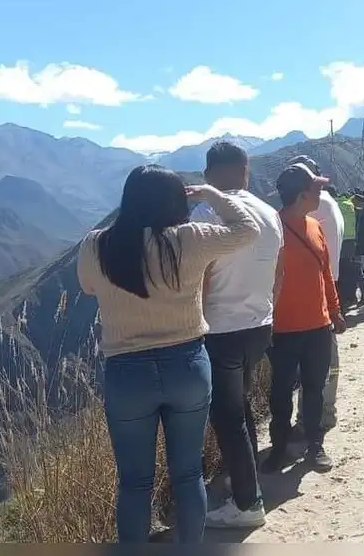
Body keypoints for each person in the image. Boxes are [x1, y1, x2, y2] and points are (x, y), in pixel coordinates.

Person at [76, 164, 259, 544]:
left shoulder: (97, 245)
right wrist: (212, 194)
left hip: (127, 372)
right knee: (188, 475)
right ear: (176, 202)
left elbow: (88, 287)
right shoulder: (191, 239)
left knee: (134, 482)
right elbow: (247, 229)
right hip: (186, 364)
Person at [187, 142, 280, 529]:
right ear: (245, 171)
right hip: (260, 325)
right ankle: (246, 482)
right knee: (239, 409)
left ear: (208, 175)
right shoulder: (269, 213)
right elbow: (278, 272)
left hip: (220, 330)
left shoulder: (205, 212)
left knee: (228, 418)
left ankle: (247, 504)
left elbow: (201, 276)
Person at [264, 161, 347, 474]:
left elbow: (324, 274)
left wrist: (335, 310)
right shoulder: (272, 229)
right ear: (301, 195)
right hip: (282, 329)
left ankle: (315, 445)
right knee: (280, 394)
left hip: (318, 327)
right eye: (316, 189)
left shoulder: (315, 225)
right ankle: (279, 448)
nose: (321, 193)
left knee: (314, 390)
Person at [291, 157, 344, 445]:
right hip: (328, 288)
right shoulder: (329, 203)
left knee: (313, 367)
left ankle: (311, 419)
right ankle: (325, 413)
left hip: (315, 293)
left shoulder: (314, 208)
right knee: (326, 363)